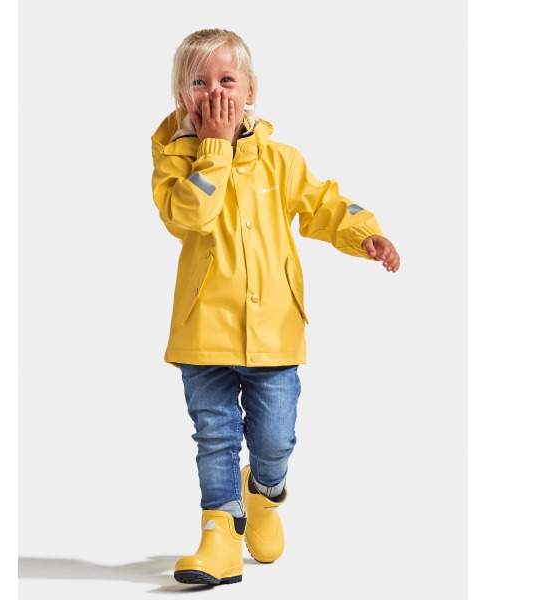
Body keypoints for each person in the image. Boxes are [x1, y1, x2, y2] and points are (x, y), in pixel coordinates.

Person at [150, 28, 401, 586]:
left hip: (274, 333)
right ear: (182, 96)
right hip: (202, 333)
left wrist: (365, 233)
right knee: (214, 436)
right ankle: (219, 532)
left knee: (275, 438)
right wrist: (213, 150)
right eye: (199, 82)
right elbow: (189, 217)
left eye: (226, 79)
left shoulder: (280, 161)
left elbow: (324, 204)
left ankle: (262, 494)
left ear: (250, 91)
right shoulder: (174, 162)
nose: (214, 91)